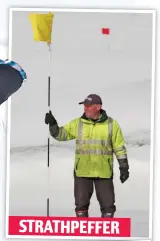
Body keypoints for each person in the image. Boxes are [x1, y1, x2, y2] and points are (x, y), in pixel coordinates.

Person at [45, 94, 129, 218]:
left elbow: (119, 147)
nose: (85, 108)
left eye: (89, 106)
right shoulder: (77, 123)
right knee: (81, 206)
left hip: (104, 172)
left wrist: (124, 167)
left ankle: (107, 235)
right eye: (84, 106)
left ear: (98, 107)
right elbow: (60, 135)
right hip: (82, 172)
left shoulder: (112, 124)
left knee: (108, 206)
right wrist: (53, 124)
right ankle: (82, 234)